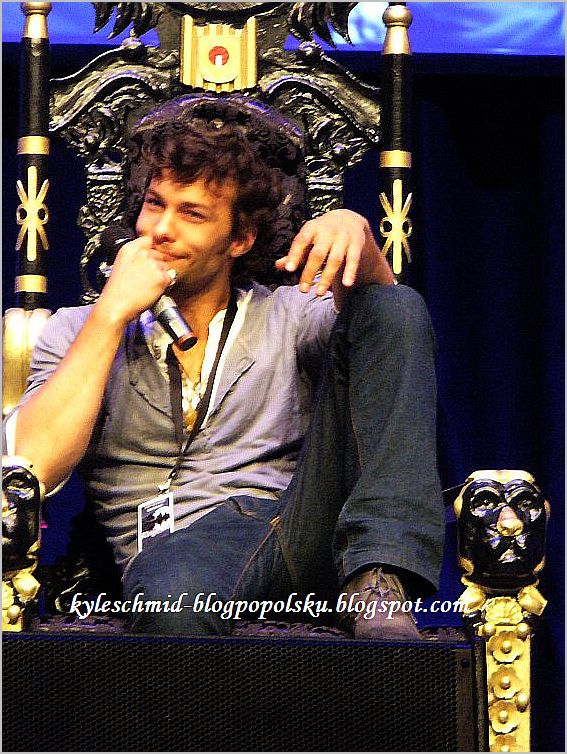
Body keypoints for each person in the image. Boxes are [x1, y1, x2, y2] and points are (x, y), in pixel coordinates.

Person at [10, 99, 444, 638]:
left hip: (287, 533)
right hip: (171, 567)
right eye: (154, 204)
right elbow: (31, 467)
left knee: (395, 305)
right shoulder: (77, 330)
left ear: (240, 240)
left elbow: (388, 339)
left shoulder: (288, 316)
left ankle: (378, 574)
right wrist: (111, 315)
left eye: (191, 214)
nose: (160, 229)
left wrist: (361, 239)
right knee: (174, 597)